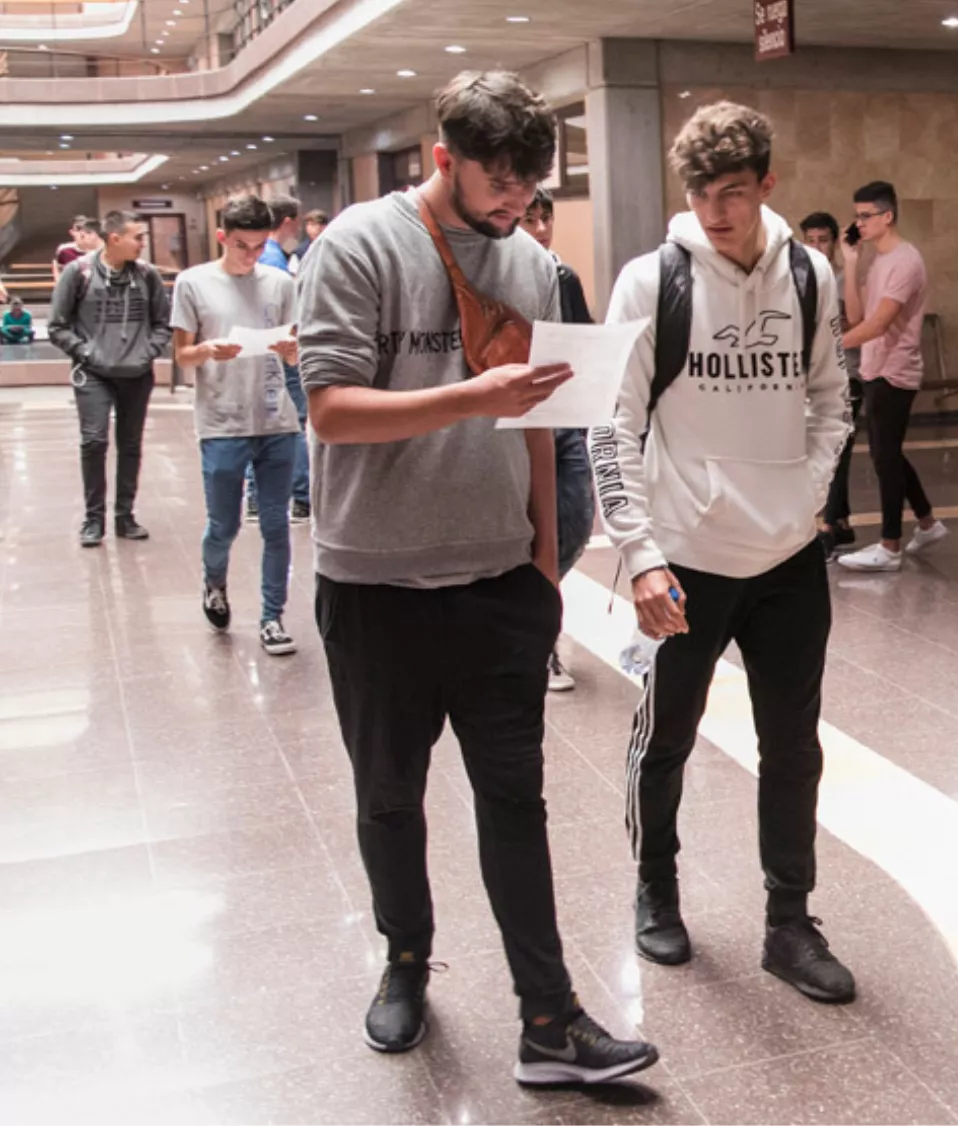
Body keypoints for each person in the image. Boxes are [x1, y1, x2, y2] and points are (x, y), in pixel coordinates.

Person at [296, 69, 658, 1083]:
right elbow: (329, 409)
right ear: (442, 158)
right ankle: (405, 962)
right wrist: (469, 394)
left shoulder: (532, 264)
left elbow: (544, 423)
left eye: (528, 190)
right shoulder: (358, 246)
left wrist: (544, 574)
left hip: (499, 584)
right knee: (389, 797)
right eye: (498, 185)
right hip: (375, 586)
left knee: (515, 803)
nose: (513, 207)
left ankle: (549, 1017)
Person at [593, 101, 855, 1004]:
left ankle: (790, 921)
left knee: (794, 747)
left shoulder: (811, 275)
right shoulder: (648, 282)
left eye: (733, 193)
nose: (714, 211)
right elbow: (611, 425)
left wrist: (805, 497)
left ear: (767, 185)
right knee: (664, 738)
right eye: (700, 193)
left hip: (788, 559)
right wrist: (640, 554)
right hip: (685, 557)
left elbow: (832, 399)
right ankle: (655, 889)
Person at [171, 195, 304, 656]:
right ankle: (215, 581)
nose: (251, 256)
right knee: (223, 525)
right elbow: (182, 355)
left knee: (275, 524)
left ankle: (273, 616)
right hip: (222, 421)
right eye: (242, 246)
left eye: (259, 246)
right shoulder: (192, 283)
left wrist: (291, 352)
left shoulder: (282, 282)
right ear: (223, 237)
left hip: (276, 418)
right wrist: (208, 350)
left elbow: (295, 343)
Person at [834, 180, 947, 572]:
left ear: (888, 216)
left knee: (884, 456)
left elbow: (879, 325)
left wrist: (829, 350)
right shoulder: (878, 261)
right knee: (888, 452)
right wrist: (850, 262)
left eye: (865, 216)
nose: (859, 224)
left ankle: (890, 545)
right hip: (873, 366)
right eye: (856, 216)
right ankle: (928, 523)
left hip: (894, 370)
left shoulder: (905, 261)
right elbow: (857, 316)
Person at [49, 210, 170, 548]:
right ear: (114, 239)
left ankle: (125, 516)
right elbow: (57, 326)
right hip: (93, 373)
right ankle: (93, 519)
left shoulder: (147, 275)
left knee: (130, 445)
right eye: (138, 237)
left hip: (137, 373)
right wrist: (85, 353)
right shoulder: (79, 272)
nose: (143, 244)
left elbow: (163, 322)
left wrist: (148, 352)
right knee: (94, 441)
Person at [521, 187, 595, 692]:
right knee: (525, 532)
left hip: (565, 418)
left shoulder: (562, 275)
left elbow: (584, 339)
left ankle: (534, 620)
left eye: (546, 217)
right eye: (531, 218)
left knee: (574, 523)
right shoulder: (496, 273)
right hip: (514, 419)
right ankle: (539, 640)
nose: (542, 228)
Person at [798, 210, 865, 559]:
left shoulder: (840, 279)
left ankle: (828, 523)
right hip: (812, 379)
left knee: (837, 450)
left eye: (823, 239)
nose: (817, 247)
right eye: (810, 240)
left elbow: (855, 319)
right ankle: (837, 520)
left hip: (847, 373)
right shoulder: (800, 280)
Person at [248, 195, 311, 521]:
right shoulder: (274, 262)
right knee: (294, 421)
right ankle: (301, 497)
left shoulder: (265, 258)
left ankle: (256, 497)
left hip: (259, 348)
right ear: (287, 220)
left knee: (261, 420)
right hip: (278, 348)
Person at [52, 216, 101, 282]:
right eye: (78, 230)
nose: (82, 233)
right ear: (71, 232)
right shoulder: (64, 249)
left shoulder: (99, 250)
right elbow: (57, 268)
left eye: (85, 229)